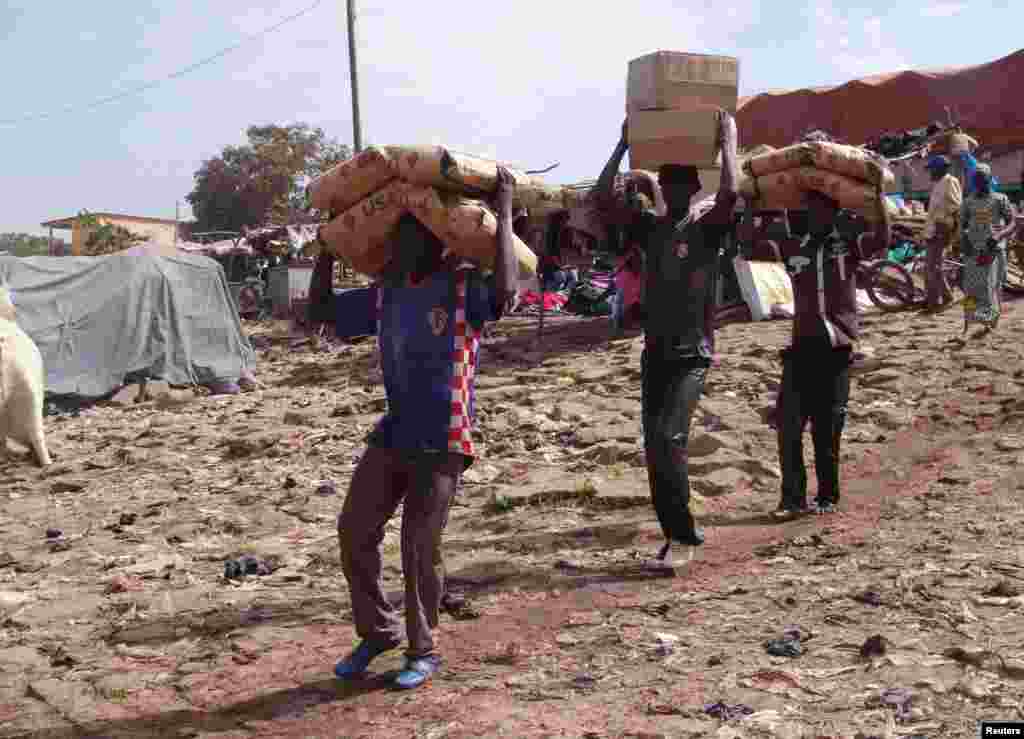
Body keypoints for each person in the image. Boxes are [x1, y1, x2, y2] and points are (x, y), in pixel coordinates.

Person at [308, 168, 518, 690]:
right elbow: (319, 312)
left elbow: (508, 291)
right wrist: (328, 250)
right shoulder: (387, 293)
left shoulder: (465, 286)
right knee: (355, 530)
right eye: (393, 238)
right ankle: (377, 632)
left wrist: (507, 207)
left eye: (407, 237)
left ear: (436, 243)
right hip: (396, 428)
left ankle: (423, 649)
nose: (396, 248)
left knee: (420, 546)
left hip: (445, 433)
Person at [594, 110, 739, 569]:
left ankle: (686, 538)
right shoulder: (650, 229)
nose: (675, 194)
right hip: (654, 354)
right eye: (668, 188)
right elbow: (602, 197)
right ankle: (673, 535)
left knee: (668, 438)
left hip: (692, 356)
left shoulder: (706, 230)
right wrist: (621, 145)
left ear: (693, 192)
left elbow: (732, 192)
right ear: (661, 192)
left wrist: (730, 140)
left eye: (683, 188)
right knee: (654, 448)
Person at [740, 187, 891, 516]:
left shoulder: (848, 245)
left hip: (837, 348)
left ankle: (827, 497)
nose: (815, 216)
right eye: (809, 210)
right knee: (788, 424)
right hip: (801, 348)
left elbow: (881, 240)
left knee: (827, 427)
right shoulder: (794, 247)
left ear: (834, 211)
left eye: (821, 209)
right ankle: (791, 500)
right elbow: (749, 246)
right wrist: (752, 207)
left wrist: (877, 197)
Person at [960, 163, 1016, 333]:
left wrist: (999, 236)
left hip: (993, 251)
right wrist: (964, 241)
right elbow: (961, 225)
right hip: (973, 252)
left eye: (983, 179)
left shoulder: (1000, 199)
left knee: (991, 286)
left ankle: (990, 321)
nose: (980, 182)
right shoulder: (968, 202)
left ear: (989, 179)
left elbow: (1012, 222)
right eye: (976, 179)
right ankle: (968, 323)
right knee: (969, 288)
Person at [922, 155, 962, 311]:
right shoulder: (937, 184)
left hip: (942, 230)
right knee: (931, 268)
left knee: (934, 267)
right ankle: (937, 299)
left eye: (931, 169)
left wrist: (948, 229)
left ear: (939, 169)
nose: (930, 173)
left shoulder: (950, 181)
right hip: (932, 230)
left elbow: (956, 207)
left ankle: (938, 300)